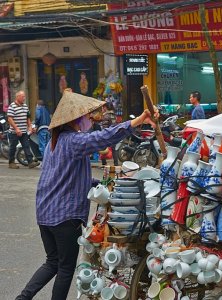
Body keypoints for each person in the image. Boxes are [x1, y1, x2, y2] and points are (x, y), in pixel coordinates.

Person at [15, 90, 159, 300]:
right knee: (65, 268)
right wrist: (138, 121)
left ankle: (23, 297)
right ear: (75, 119)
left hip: (45, 213)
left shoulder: (55, 143)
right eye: (86, 116)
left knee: (52, 262)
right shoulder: (73, 141)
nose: (89, 119)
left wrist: (101, 183)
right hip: (64, 216)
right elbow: (104, 137)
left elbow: (64, 177)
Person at [7, 90, 40, 169]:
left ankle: (30, 162)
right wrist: (16, 129)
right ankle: (11, 162)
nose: (24, 98)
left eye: (24, 96)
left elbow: (27, 117)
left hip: (24, 131)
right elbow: (9, 119)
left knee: (26, 146)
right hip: (14, 132)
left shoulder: (25, 106)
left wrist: (30, 127)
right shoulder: (12, 106)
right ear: (17, 97)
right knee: (13, 147)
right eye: (22, 97)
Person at [100, 101, 118, 166]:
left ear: (105, 107)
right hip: (114, 133)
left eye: (103, 107)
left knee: (103, 148)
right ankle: (116, 164)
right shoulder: (114, 115)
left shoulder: (106, 116)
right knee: (113, 149)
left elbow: (104, 127)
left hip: (107, 134)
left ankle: (104, 163)